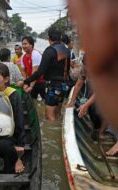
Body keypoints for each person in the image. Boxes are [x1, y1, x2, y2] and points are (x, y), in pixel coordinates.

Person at [67, 0, 118, 130]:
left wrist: (86, 105)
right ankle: (99, 130)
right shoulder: (87, 64)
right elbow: (79, 82)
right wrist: (72, 101)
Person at [23, 28, 70, 121]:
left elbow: (40, 72)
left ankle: (52, 134)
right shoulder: (65, 49)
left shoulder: (50, 51)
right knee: (57, 113)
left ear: (49, 38)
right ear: (60, 38)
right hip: (64, 85)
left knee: (49, 116)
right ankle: (58, 131)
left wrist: (26, 81)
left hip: (53, 86)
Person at [21, 36, 45, 100]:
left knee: (46, 101)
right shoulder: (23, 56)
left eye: (25, 44)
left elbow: (35, 72)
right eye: (23, 44)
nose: (23, 46)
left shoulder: (35, 54)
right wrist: (26, 83)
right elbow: (23, 71)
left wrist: (31, 86)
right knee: (32, 101)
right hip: (31, 80)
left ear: (31, 45)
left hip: (41, 81)